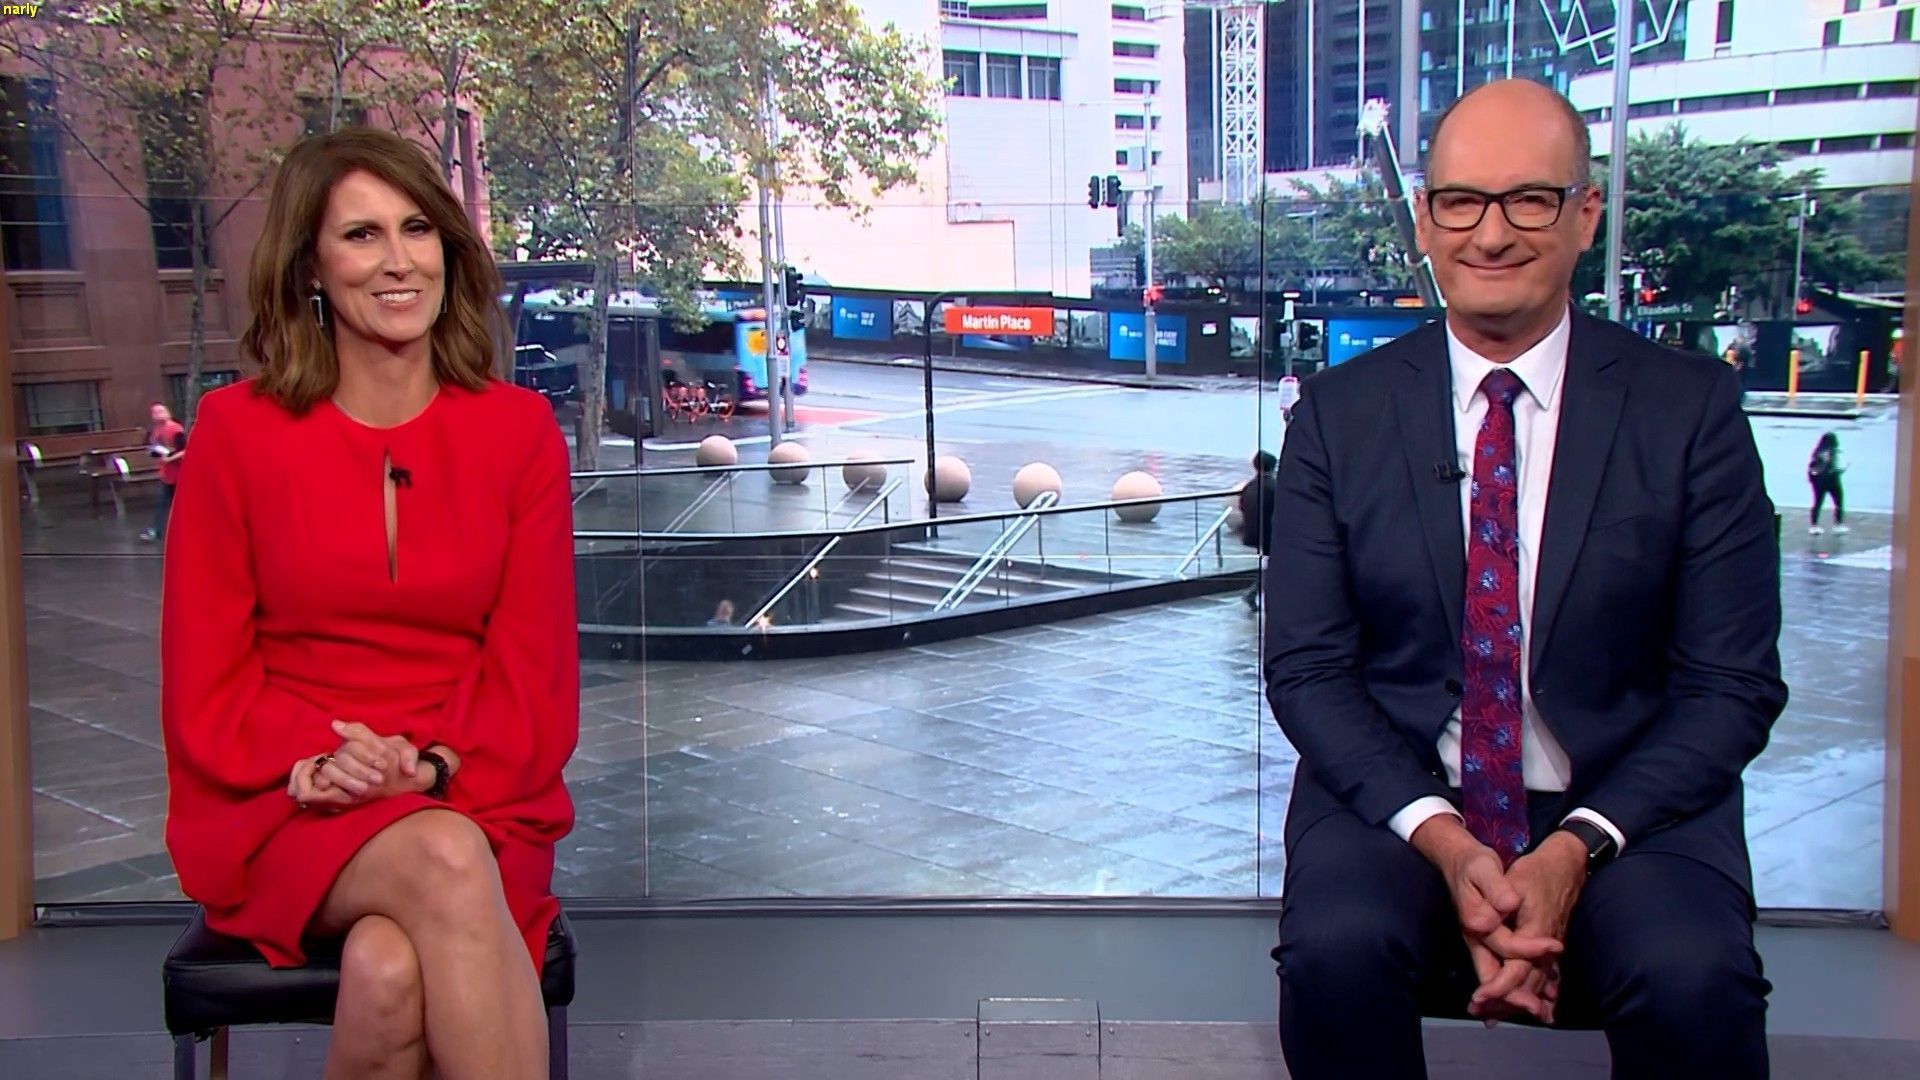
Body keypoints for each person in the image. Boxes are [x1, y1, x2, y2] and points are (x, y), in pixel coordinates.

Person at [1264, 80, 1784, 1080]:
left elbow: (1732, 684)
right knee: (1337, 951)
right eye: (1463, 202)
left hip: (1628, 802)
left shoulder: (1692, 412)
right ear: (1426, 219)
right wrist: (1450, 841)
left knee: (1692, 979)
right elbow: (1309, 671)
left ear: (1586, 215)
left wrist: (1574, 847)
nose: (1492, 234)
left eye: (1530, 200)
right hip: (1406, 793)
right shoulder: (1336, 416)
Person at [161, 128, 578, 1080]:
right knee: (443, 861)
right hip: (282, 798)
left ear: (447, 250)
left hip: (475, 786)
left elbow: (535, 675)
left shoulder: (518, 432)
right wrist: (325, 763)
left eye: (417, 229)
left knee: (389, 968)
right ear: (310, 265)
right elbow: (205, 674)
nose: (399, 261)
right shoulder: (234, 432)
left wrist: (426, 767)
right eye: (361, 235)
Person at [139, 401, 187, 543]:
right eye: (155, 412)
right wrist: (154, 453)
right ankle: (157, 531)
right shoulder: (156, 430)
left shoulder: (175, 429)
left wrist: (170, 458)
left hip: (181, 472)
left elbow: (186, 449)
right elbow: (155, 448)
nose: (158, 414)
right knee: (163, 503)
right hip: (168, 473)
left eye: (161, 411)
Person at [1238, 450, 1277, 610]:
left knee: (1272, 565)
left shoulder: (1249, 487)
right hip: (1271, 534)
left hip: (1254, 533)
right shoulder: (1274, 487)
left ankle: (1254, 593)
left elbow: (1242, 507)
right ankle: (1253, 593)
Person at [1808, 431, 1847, 535]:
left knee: (1817, 503)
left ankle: (1814, 525)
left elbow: (1812, 468)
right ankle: (1838, 524)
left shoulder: (1817, 452)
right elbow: (1833, 466)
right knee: (1838, 502)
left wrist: (1813, 479)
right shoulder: (1833, 452)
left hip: (1819, 481)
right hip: (1832, 480)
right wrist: (1840, 470)